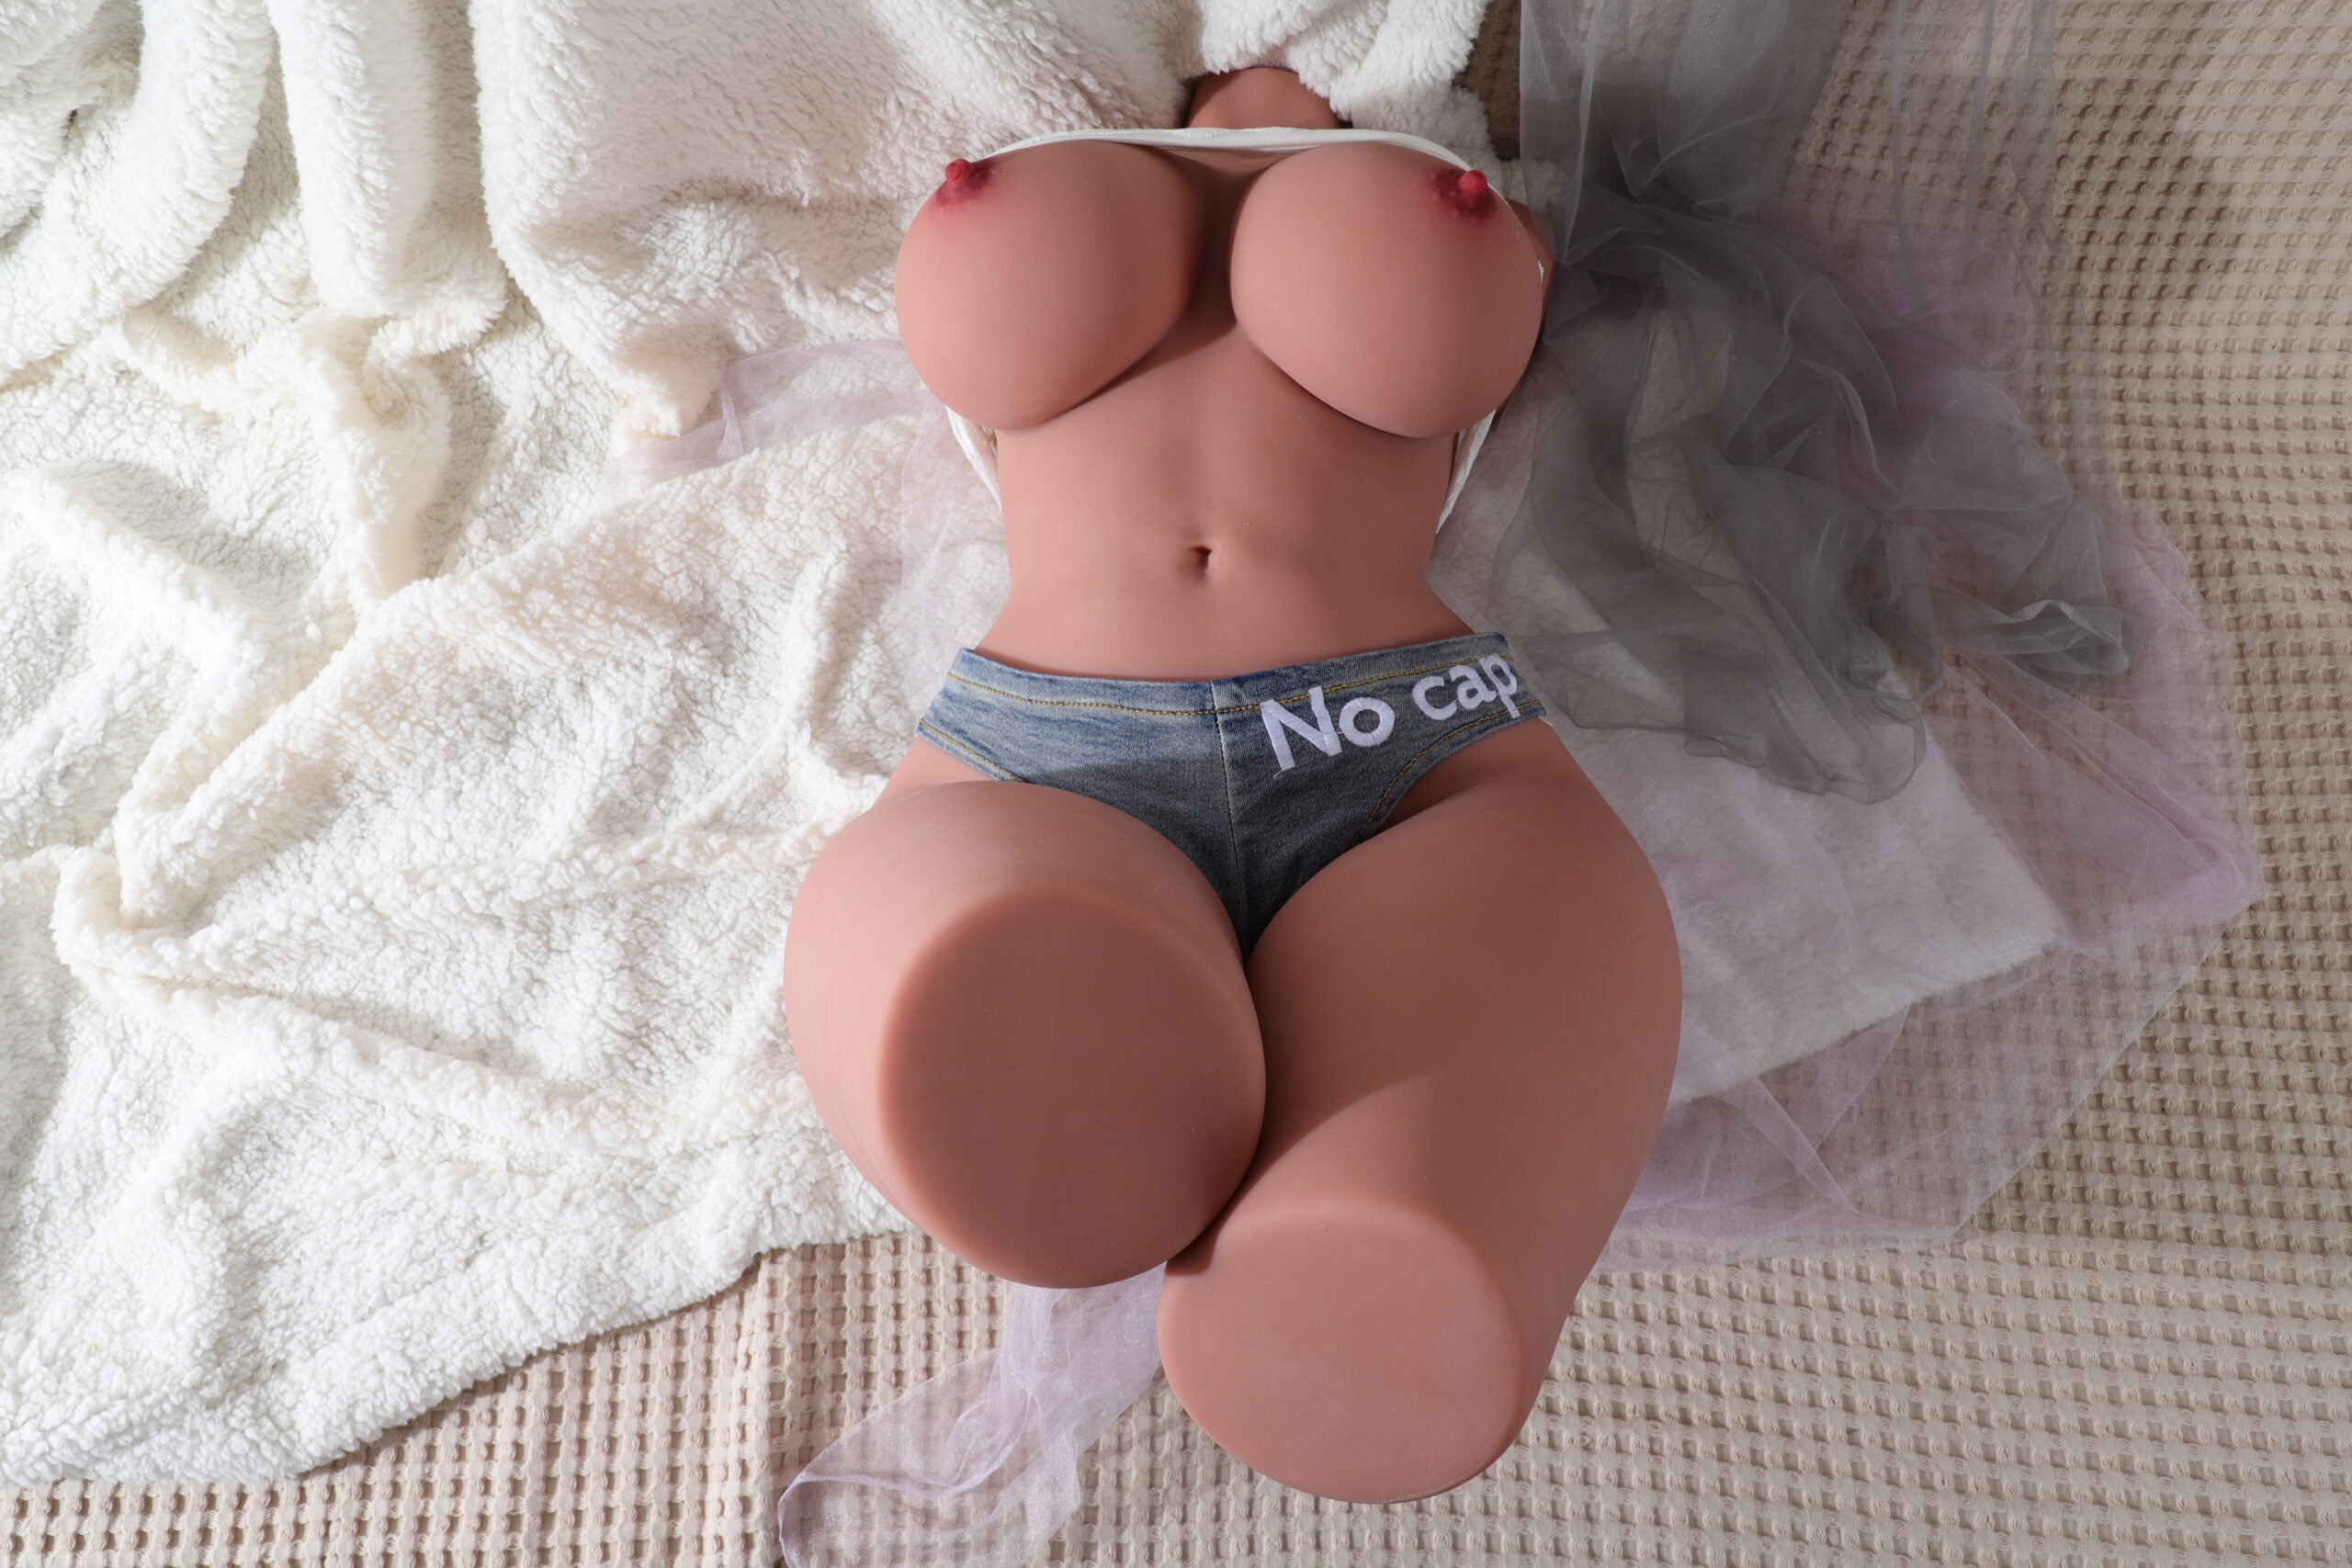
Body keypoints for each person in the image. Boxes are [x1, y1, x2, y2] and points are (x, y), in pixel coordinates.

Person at [782, 65, 1682, 1504]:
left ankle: (1380, 1237)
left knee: (1456, 1074)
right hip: (1050, 751)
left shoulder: (1441, 144)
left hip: (1407, 747)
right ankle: (1060, 1090)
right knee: (966, 949)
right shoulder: (1033, 98)